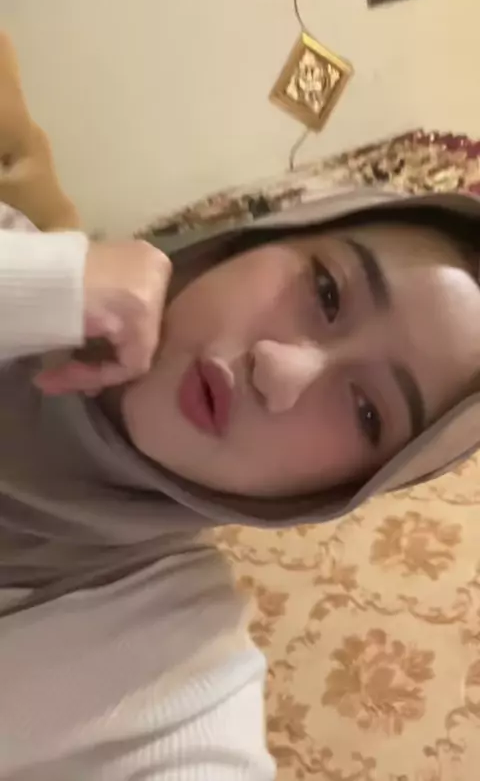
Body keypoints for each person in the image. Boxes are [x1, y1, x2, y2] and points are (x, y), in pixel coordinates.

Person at [1, 185, 480, 781]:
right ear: (251, 241)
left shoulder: (172, 669)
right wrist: (31, 287)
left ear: (335, 491)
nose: (278, 370)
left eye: (367, 414)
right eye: (327, 292)